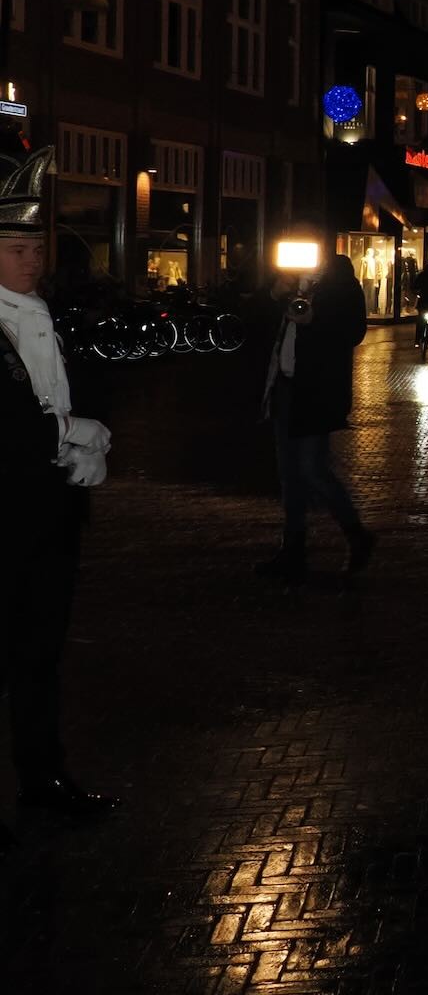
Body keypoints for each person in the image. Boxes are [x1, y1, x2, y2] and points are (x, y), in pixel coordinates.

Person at [0, 147, 121, 857]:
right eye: (16, 250)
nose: (31, 260)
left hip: (48, 514)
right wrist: (68, 432)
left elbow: (75, 390)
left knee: (41, 655)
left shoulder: (44, 315)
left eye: (35, 249)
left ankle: (43, 777)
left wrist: (84, 448)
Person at [256, 251, 375, 582]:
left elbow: (353, 331)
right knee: (289, 476)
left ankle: (356, 533)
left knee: (312, 469)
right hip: (284, 387)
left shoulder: (340, 282)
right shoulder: (288, 279)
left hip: (316, 391)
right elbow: (256, 324)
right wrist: (273, 296)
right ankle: (292, 550)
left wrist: (314, 320)